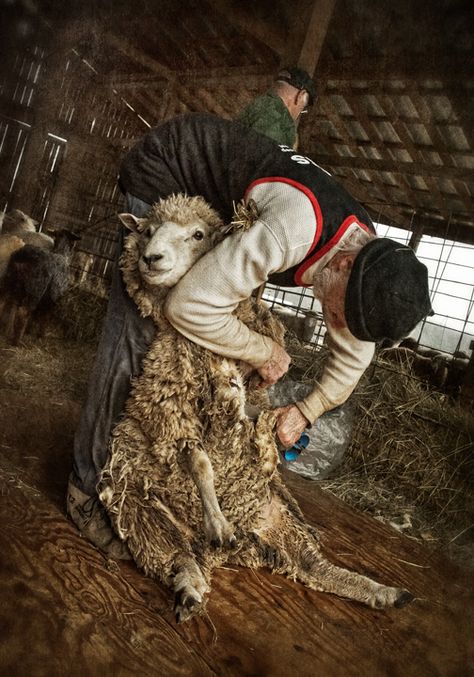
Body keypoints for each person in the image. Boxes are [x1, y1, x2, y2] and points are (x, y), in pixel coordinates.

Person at [67, 112, 433, 557]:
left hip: (219, 201)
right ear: (342, 265)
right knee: (139, 338)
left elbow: (355, 357)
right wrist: (261, 350)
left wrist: (306, 409)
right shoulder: (292, 232)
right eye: (339, 314)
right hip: (169, 167)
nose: (337, 325)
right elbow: (189, 306)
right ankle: (86, 493)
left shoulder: (368, 265)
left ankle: (144, 479)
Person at [235, 66, 316, 148]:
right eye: (303, 108)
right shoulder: (278, 119)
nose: (299, 114)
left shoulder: (260, 104)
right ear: (300, 96)